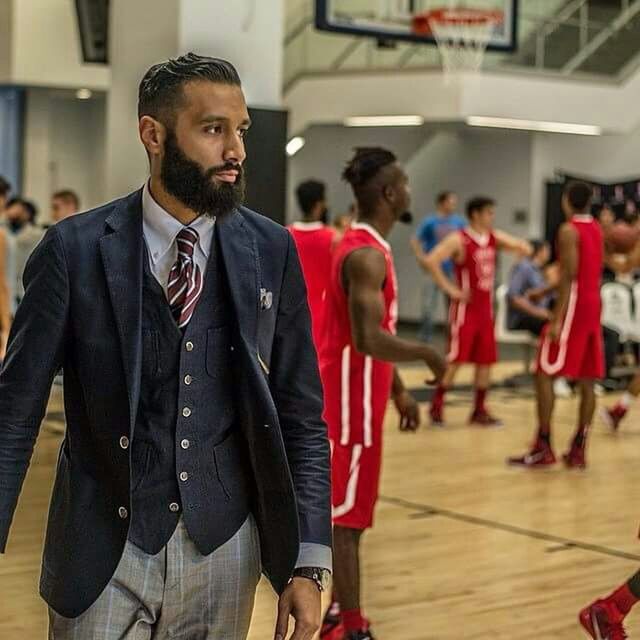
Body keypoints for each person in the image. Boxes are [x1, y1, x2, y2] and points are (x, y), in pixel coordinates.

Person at [0, 53, 331, 640]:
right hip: (102, 549)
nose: (236, 152)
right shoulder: (72, 250)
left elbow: (301, 417)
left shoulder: (271, 250)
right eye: (213, 130)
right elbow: (14, 413)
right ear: (152, 135)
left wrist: (309, 559)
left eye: (241, 131)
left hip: (224, 549)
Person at [319, 147, 445, 640]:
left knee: (353, 521)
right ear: (390, 193)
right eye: (406, 182)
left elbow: (375, 329)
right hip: (347, 410)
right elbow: (368, 337)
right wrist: (428, 355)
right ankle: (350, 627)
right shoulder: (365, 254)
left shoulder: (366, 245)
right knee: (346, 524)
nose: (411, 190)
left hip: (363, 404)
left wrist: (398, 392)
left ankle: (339, 615)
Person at [508, 181, 603, 469]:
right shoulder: (596, 229)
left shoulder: (568, 229)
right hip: (592, 304)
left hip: (573, 306)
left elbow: (569, 273)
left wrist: (557, 317)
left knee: (544, 372)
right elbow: (583, 271)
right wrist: (543, 292)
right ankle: (579, 448)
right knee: (587, 379)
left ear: (566, 201)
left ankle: (543, 445)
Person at [423, 197, 531, 427]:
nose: (492, 217)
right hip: (465, 310)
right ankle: (437, 406)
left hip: (485, 310)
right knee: (455, 360)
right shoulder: (459, 239)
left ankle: (479, 410)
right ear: (476, 215)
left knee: (486, 361)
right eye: (489, 213)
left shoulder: (493, 238)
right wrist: (451, 289)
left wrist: (523, 249)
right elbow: (431, 261)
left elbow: (521, 246)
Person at [411, 191, 466, 341]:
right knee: (429, 305)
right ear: (442, 203)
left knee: (453, 304)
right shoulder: (430, 222)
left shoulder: (459, 222)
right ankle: (425, 336)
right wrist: (421, 258)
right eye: (451, 202)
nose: (453, 205)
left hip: (452, 269)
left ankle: (454, 335)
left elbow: (466, 241)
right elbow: (415, 240)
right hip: (433, 269)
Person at [288, 179, 336, 350]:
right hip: (324, 317)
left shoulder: (286, 235)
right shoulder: (334, 238)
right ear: (320, 204)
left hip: (291, 314)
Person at [507, 240, 552, 336]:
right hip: (523, 318)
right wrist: (537, 312)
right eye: (547, 250)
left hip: (537, 316)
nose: (550, 253)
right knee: (551, 328)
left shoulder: (540, 271)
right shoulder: (524, 267)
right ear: (540, 252)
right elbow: (513, 297)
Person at [5, 197, 45, 304]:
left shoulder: (34, 234)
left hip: (22, 291)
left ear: (28, 214)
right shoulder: (10, 232)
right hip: (11, 288)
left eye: (20, 211)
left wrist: (5, 215)